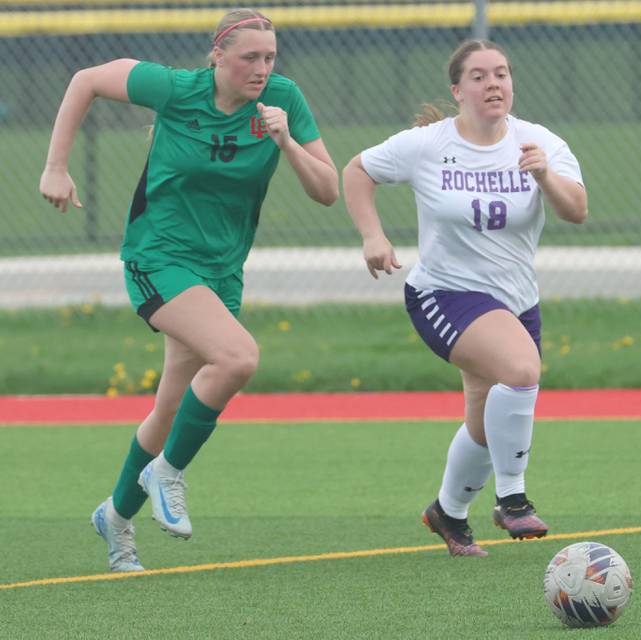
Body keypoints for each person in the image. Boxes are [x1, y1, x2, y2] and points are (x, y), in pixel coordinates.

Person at [39, 8, 338, 572]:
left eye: (270, 57)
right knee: (238, 356)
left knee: (172, 403)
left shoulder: (282, 100)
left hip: (222, 271)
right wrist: (56, 166)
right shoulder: (176, 89)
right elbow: (86, 80)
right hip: (159, 255)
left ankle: (117, 518)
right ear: (218, 55)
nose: (261, 68)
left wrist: (287, 143)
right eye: (250, 57)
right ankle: (167, 473)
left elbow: (327, 190)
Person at [343, 39, 587, 557]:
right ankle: (512, 498)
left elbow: (577, 210)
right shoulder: (428, 144)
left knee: (484, 421)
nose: (493, 83)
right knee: (522, 372)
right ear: (457, 90)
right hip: (443, 293)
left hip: (516, 301)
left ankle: (448, 514)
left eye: (501, 73)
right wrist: (373, 235)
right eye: (478, 76)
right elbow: (357, 170)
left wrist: (544, 175)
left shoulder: (537, 142)